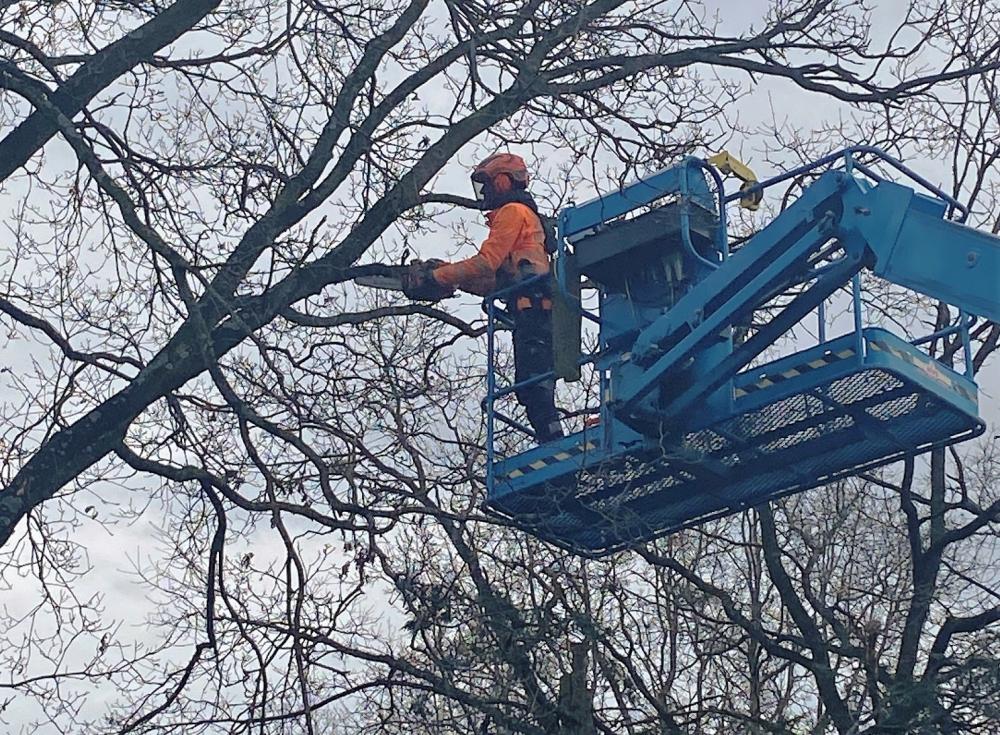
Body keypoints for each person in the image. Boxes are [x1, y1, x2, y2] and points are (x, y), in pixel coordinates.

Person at [403, 153, 564, 443]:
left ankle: (553, 443)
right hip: (530, 309)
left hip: (534, 307)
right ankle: (551, 441)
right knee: (531, 384)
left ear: (503, 181)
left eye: (487, 184)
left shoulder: (513, 212)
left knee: (534, 384)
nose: (485, 192)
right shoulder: (520, 217)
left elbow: (486, 262)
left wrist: (437, 276)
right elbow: (494, 280)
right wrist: (452, 283)